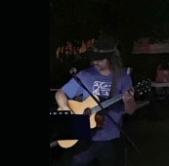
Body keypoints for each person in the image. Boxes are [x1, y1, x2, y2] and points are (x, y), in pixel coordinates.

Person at [55, 37, 137, 165]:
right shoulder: (84, 75)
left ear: (111, 58)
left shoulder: (122, 77)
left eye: (101, 58)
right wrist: (67, 109)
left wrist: (128, 101)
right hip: (83, 138)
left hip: (110, 140)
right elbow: (60, 93)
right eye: (95, 57)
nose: (95, 62)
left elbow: (130, 111)